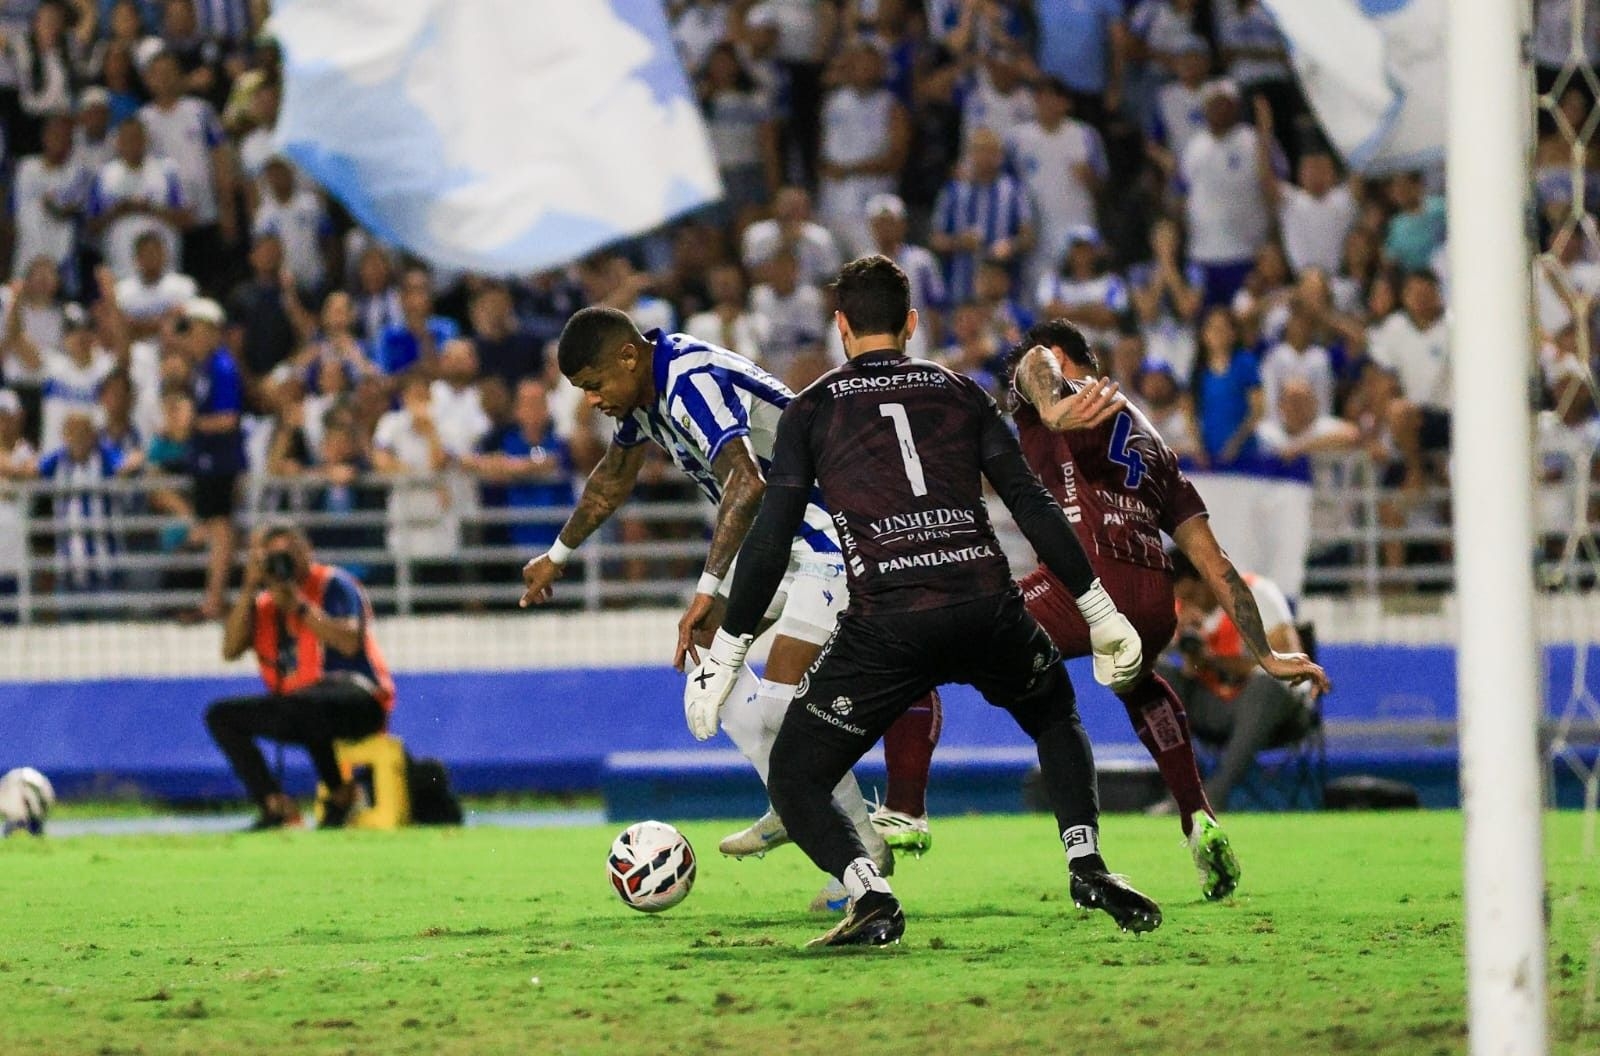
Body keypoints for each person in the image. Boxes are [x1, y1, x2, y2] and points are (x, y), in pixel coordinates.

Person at [684, 256, 1158, 947]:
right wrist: (1099, 608)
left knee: (794, 771)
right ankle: (1086, 864)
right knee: (1054, 713)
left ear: (841, 326)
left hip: (889, 620)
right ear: (910, 323)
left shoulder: (812, 407)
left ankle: (870, 896)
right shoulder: (961, 392)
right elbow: (1030, 502)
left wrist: (728, 652)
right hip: (986, 605)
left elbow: (770, 538)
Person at [520, 305, 930, 909]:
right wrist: (557, 554)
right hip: (776, 542)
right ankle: (801, 805)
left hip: (831, 532)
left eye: (596, 385)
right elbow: (614, 476)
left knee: (780, 697)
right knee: (705, 661)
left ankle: (846, 840)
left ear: (628, 357)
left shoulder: (689, 378)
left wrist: (707, 590)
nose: (594, 401)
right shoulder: (645, 397)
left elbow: (746, 481)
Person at [1006, 319, 1328, 891]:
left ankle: (903, 807)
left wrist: (1051, 405)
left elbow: (1038, 364)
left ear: (1072, 364)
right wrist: (1267, 655)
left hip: (1083, 582)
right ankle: (1199, 816)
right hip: (1154, 602)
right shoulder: (1155, 446)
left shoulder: (1058, 398)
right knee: (1140, 682)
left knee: (953, 631)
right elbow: (1215, 562)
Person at [208, 522, 395, 830]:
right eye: (273, 557)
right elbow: (230, 650)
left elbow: (349, 642)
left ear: (308, 552)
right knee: (221, 716)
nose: (283, 564)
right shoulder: (263, 605)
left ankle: (341, 794)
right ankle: (275, 805)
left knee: (309, 701)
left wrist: (299, 607)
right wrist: (249, 588)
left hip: (359, 699)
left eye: (289, 554)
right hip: (300, 706)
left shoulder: (332, 584)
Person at [1166, 549, 1320, 809]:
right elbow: (1180, 669)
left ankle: (1212, 797)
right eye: (1183, 598)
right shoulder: (1182, 612)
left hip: (1275, 713)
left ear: (1208, 577)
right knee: (1157, 675)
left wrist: (1213, 658)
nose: (1189, 604)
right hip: (1217, 707)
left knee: (1266, 686)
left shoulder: (1255, 593)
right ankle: (1181, 790)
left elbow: (1287, 666)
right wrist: (1177, 638)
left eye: (1192, 595)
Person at [180, 296, 245, 620]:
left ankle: (214, 600)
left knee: (220, 529)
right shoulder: (203, 367)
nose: (191, 336)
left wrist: (192, 424)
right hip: (208, 460)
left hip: (220, 461)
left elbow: (229, 418)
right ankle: (214, 597)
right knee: (214, 528)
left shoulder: (221, 367)